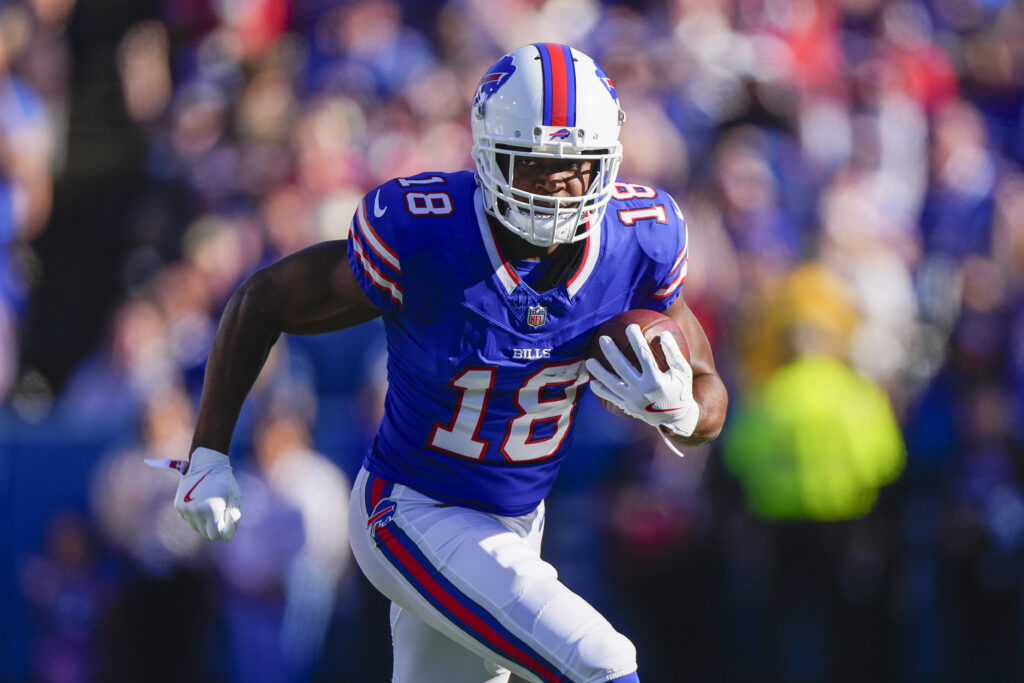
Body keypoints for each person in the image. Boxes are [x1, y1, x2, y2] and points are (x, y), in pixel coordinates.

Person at [164, 44, 728, 683]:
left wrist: (683, 411)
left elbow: (708, 388)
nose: (556, 184)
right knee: (602, 662)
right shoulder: (428, 235)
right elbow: (264, 297)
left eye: (576, 166)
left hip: (516, 522)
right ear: (489, 156)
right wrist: (208, 453)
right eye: (534, 163)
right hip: (409, 509)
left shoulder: (639, 241)